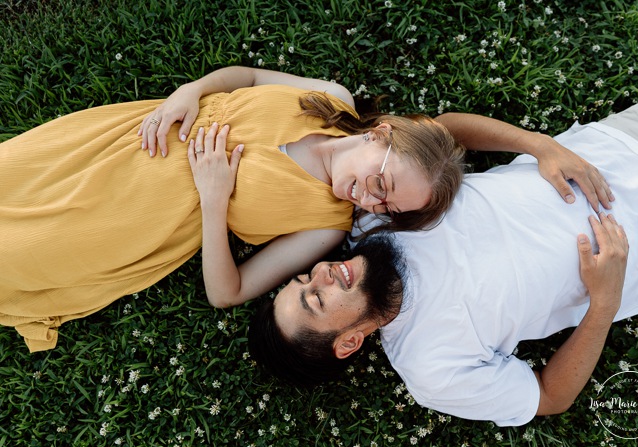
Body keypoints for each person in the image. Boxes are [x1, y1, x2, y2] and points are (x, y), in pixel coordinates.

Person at [249, 92, 638, 426]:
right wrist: (604, 305)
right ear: (347, 343)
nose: (321, 274)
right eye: (316, 299)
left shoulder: (373, 220)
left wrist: (541, 146)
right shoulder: (432, 369)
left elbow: (442, 132)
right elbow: (546, 397)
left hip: (629, 141)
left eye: (304, 278)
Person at [0, 66, 467, 352]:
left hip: (134, 219)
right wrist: (191, 91)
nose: (368, 200)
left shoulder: (325, 225)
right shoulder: (332, 99)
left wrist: (214, 199)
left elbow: (228, 292)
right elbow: (246, 77)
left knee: (16, 254)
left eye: (384, 206)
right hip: (124, 140)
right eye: (380, 182)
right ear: (380, 134)